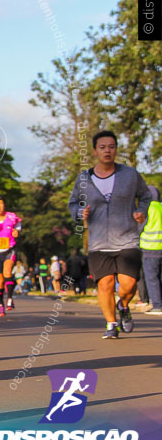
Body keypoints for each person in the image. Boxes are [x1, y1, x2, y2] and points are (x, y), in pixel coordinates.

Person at [69, 130, 152, 339]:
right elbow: (73, 204)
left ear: (116, 149)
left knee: (129, 284)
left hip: (127, 237)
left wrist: (141, 211)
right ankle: (111, 323)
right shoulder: (84, 178)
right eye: (103, 147)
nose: (108, 151)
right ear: (95, 151)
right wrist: (81, 212)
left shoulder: (130, 175)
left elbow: (146, 195)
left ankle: (123, 305)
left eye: (112, 147)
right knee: (104, 284)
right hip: (98, 241)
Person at [140, 187, 162, 315]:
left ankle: (158, 305)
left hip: (150, 248)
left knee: (152, 278)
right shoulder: (161, 207)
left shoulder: (147, 209)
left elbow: (140, 227)